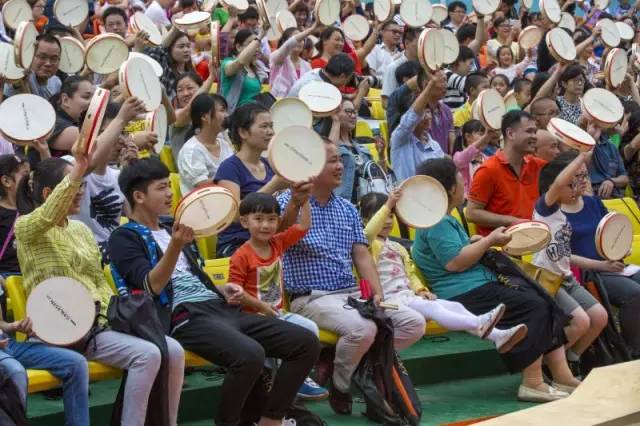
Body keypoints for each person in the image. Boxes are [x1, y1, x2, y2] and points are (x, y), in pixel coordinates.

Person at [109, 158, 320, 426]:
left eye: (168, 186)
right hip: (182, 316)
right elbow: (152, 286)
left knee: (305, 342)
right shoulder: (124, 237)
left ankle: (270, 419)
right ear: (139, 196)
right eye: (162, 188)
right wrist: (175, 245)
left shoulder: (170, 228)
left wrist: (222, 288)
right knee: (250, 355)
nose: (170, 192)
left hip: (218, 308)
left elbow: (192, 278)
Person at [15, 146, 185, 425]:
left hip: (100, 322)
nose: (81, 190)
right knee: (147, 355)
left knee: (174, 350)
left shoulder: (80, 230)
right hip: (62, 327)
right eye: (75, 185)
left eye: (82, 184)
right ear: (49, 195)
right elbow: (46, 215)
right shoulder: (27, 228)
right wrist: (79, 170)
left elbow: (96, 280)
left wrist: (119, 317)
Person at [277, 139, 426, 415]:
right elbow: (278, 239)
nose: (340, 166)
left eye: (339, 160)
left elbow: (361, 255)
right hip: (310, 297)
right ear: (311, 166)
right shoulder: (287, 200)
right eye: (332, 160)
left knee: (413, 323)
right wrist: (296, 204)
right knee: (365, 329)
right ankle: (341, 384)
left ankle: (345, 362)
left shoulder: (346, 208)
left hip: (351, 294)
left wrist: (375, 294)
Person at [412, 157, 580, 402]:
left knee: (542, 300)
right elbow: (455, 262)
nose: (463, 181)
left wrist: (476, 242)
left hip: (477, 285)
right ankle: (533, 382)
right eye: (459, 177)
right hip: (464, 293)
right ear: (449, 189)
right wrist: (489, 241)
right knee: (533, 306)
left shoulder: (443, 218)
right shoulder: (438, 222)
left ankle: (562, 376)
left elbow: (453, 252)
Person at [360, 190, 528, 353]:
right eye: (383, 215)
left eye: (391, 215)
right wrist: (389, 204)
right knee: (433, 309)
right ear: (366, 220)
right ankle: (479, 322)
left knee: (455, 306)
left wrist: (420, 290)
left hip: (406, 297)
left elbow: (409, 274)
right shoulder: (365, 245)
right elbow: (368, 232)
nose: (388, 221)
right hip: (388, 300)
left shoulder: (397, 247)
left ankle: (498, 336)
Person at [229, 192, 329, 400]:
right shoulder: (241, 256)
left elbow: (303, 227)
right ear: (244, 222)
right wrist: (261, 306)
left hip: (277, 314)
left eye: (272, 219)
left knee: (308, 329)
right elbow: (234, 293)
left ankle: (297, 380)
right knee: (264, 370)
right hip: (254, 320)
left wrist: (305, 202)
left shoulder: (277, 243)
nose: (265, 225)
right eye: (258, 219)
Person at [533, 151, 609, 374]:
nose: (576, 189)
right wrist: (581, 157)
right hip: (547, 279)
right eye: (571, 185)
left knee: (599, 316)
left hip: (565, 277)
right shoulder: (544, 209)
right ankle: (546, 364)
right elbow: (559, 182)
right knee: (580, 322)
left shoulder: (569, 210)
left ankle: (571, 358)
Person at [560, 151, 640, 358]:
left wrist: (623, 249)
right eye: (576, 176)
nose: (582, 181)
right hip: (588, 272)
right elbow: (563, 256)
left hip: (614, 265)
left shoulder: (594, 203)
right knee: (634, 294)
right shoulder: (555, 213)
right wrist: (601, 266)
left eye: (585, 175)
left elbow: (613, 232)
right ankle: (633, 352)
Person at [214, 103, 289, 257]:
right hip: (237, 244)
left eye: (271, 126)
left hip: (268, 239)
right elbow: (232, 215)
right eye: (264, 126)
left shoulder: (269, 164)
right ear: (243, 132)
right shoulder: (229, 168)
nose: (271, 132)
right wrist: (273, 186)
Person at [466, 110, 546, 236]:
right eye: (529, 131)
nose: (535, 136)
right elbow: (472, 213)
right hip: (499, 248)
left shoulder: (538, 165)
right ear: (510, 133)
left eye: (535, 132)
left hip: (532, 240)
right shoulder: (488, 170)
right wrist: (513, 222)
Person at [391, 72, 446, 181]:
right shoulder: (400, 139)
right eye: (422, 114)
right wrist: (431, 85)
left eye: (428, 112)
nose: (426, 117)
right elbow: (411, 117)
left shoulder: (435, 146)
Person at [27, 76, 94, 165]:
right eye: (86, 97)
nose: (93, 103)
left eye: (95, 98)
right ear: (65, 100)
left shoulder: (75, 121)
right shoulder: (53, 122)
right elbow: (94, 144)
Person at [177, 93, 233, 194]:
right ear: (204, 117)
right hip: (203, 205)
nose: (226, 115)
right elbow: (203, 185)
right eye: (222, 110)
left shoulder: (223, 144)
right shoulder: (191, 150)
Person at [329, 99, 375, 203]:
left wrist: (381, 156)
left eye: (354, 112)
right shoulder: (331, 143)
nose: (353, 116)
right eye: (348, 111)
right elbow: (330, 155)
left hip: (364, 207)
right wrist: (336, 121)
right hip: (342, 205)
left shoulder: (361, 149)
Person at [170, 68, 217, 161]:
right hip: (191, 171)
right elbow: (189, 110)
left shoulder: (212, 114)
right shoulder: (174, 115)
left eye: (190, 88)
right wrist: (211, 77)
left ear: (200, 88)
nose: (185, 93)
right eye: (180, 90)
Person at [4, 32, 62, 100]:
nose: (48, 63)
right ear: (31, 55)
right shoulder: (21, 75)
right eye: (42, 57)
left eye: (53, 59)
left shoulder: (56, 83)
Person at [221, 28, 267, 112]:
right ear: (238, 47)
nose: (256, 48)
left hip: (253, 118)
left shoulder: (255, 68)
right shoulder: (227, 62)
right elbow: (240, 62)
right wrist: (259, 37)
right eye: (251, 44)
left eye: (258, 45)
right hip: (234, 118)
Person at [145, 28, 196, 101]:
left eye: (188, 46)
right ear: (170, 49)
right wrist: (175, 28)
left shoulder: (192, 72)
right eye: (181, 46)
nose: (186, 50)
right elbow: (157, 50)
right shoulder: (165, 70)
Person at [269, 24, 317, 98]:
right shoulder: (277, 57)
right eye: (297, 39)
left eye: (302, 40)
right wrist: (311, 29)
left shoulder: (307, 65)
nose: (299, 42)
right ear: (285, 41)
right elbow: (287, 46)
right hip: (278, 104)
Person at [453, 120, 499, 196]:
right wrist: (485, 137)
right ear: (468, 136)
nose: (485, 138)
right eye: (481, 134)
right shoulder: (458, 156)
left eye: (485, 134)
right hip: (466, 202)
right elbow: (461, 160)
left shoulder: (488, 158)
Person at [381, 27, 420, 109]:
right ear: (407, 43)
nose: (422, 47)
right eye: (419, 43)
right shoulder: (393, 67)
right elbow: (385, 103)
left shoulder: (427, 66)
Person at [287, 53, 355, 97]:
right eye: (349, 78)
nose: (347, 82)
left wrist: (348, 96)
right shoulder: (318, 87)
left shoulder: (318, 72)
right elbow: (347, 115)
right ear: (342, 76)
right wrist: (362, 91)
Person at [589, 133, 629, 199]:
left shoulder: (611, 147)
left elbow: (625, 178)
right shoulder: (577, 144)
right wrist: (591, 139)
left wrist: (611, 181)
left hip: (614, 196)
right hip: (592, 195)